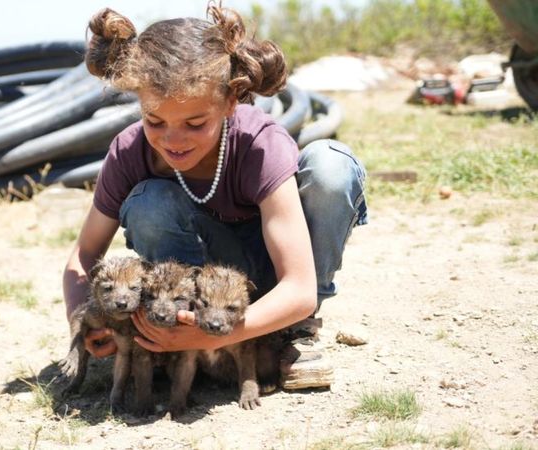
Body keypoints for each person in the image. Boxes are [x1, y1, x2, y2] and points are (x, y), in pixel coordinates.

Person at [62, 4, 367, 360]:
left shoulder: (259, 143)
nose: (174, 140)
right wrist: (85, 322)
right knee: (149, 200)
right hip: (194, 298)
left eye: (194, 124)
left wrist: (216, 337)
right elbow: (83, 255)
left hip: (273, 281)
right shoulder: (130, 150)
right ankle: (178, 334)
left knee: (332, 164)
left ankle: (294, 331)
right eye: (155, 121)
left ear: (230, 104)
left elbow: (299, 288)